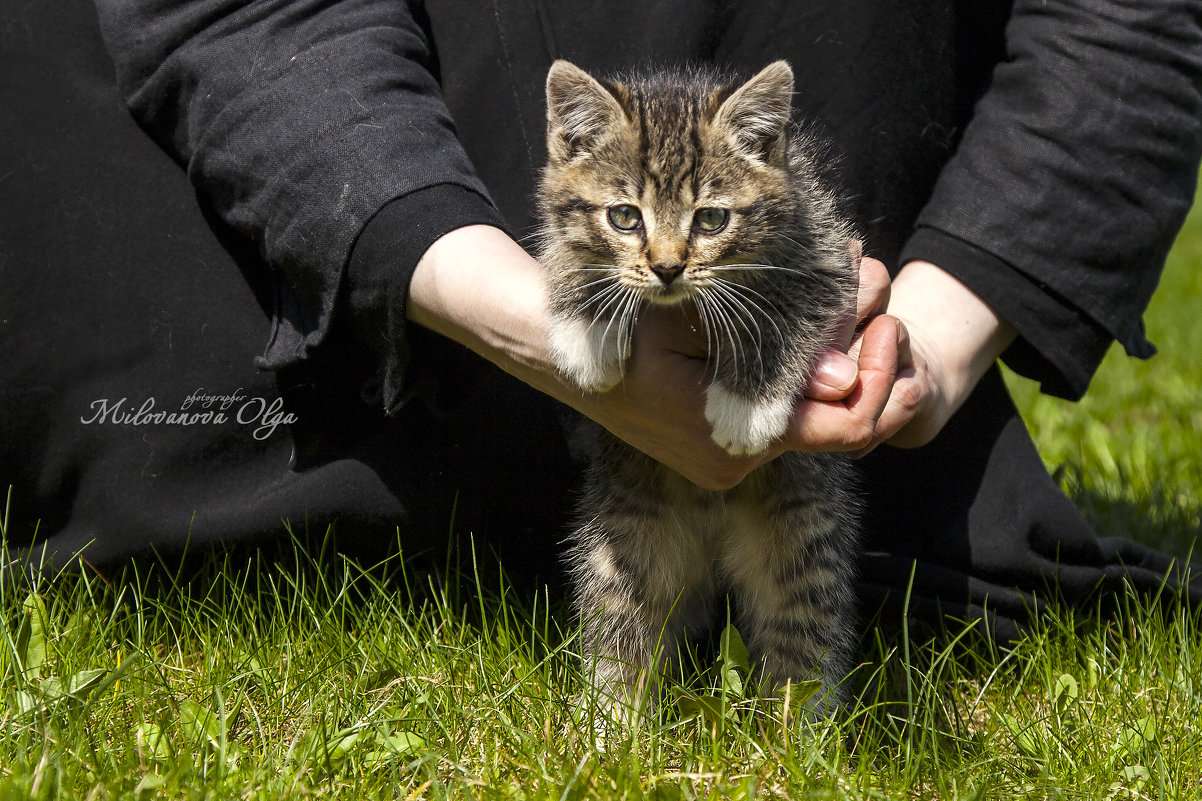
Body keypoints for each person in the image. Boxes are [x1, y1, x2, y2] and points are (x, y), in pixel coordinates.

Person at [2, 0, 1198, 638]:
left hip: (849, 387)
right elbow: (241, 17)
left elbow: (1127, 21)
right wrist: (527, 325)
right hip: (360, 340)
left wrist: (921, 347)